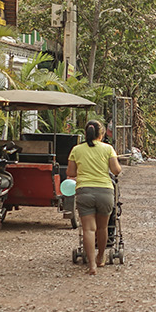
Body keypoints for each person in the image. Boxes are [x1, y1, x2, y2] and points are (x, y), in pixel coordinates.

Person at [67, 118, 122, 275]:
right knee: (102, 227)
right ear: (101, 134)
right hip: (105, 191)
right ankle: (101, 256)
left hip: (84, 192)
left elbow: (70, 173)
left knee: (89, 229)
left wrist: (84, 170)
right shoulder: (108, 149)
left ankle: (92, 265)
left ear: (85, 133)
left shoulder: (76, 150)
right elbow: (116, 170)